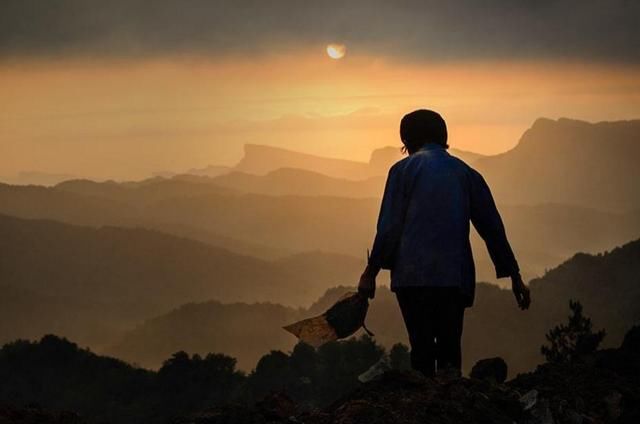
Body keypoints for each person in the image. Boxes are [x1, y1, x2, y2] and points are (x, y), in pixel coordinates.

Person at [358, 109, 530, 378]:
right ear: (443, 136)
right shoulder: (466, 174)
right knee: (450, 347)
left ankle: (426, 404)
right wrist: (515, 276)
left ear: (407, 140)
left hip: (412, 278)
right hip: (453, 277)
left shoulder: (402, 171)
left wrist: (370, 273)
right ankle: (451, 403)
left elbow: (389, 227)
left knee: (421, 349)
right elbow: (492, 228)